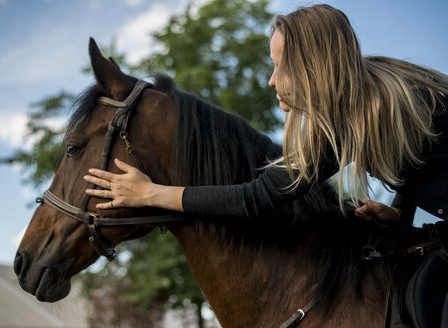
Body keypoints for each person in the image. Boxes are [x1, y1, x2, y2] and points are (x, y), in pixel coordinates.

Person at [84, 4, 447, 327]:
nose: (271, 80)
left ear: (311, 69)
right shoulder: (374, 92)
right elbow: (416, 164)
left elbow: (255, 199)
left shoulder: (353, 116)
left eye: (280, 67)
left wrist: (152, 193)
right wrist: (400, 214)